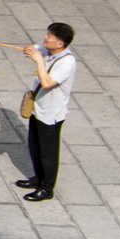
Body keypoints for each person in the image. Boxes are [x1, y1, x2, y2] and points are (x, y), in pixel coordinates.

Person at [17, 23, 77, 202]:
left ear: (60, 44)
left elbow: (47, 83)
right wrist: (32, 50)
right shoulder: (50, 51)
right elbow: (35, 48)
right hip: (38, 109)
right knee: (35, 146)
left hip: (51, 114)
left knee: (47, 154)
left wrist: (39, 60)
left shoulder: (66, 62)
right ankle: (38, 178)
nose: (45, 38)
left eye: (50, 36)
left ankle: (47, 188)